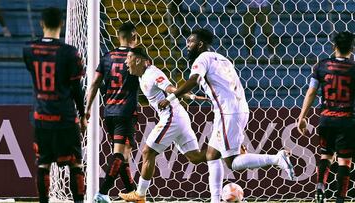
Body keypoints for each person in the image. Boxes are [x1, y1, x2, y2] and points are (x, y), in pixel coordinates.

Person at [158, 28, 295, 203]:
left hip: (227, 112)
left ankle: (276, 158)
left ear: (200, 44)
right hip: (236, 109)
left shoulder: (202, 59)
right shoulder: (223, 59)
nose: (187, 45)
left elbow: (193, 80)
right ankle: (215, 200)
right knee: (211, 155)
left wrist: (170, 98)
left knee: (232, 162)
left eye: (191, 42)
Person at [118, 47, 208, 203]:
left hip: (172, 117)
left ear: (138, 60)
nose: (126, 62)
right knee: (195, 157)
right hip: (179, 117)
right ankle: (227, 149)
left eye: (129, 58)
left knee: (148, 151)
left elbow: (170, 88)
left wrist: (187, 95)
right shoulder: (142, 76)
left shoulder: (153, 74)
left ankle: (140, 195)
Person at [23, 7, 86, 203]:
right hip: (65, 117)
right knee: (76, 164)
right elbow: (76, 89)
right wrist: (83, 114)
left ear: (42, 24)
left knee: (43, 164)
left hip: (41, 116)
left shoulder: (29, 49)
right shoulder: (70, 52)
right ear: (62, 24)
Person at [297, 31, 355, 203]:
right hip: (347, 120)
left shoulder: (321, 65)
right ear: (352, 48)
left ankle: (320, 188)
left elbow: (311, 92)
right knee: (345, 161)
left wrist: (302, 117)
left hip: (326, 119)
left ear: (333, 46)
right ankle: (340, 199)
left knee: (326, 156)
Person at [85, 22, 139, 203]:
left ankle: (134, 193)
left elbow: (93, 84)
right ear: (134, 36)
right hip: (126, 112)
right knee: (120, 154)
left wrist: (86, 110)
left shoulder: (106, 57)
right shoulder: (136, 57)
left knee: (124, 156)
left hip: (108, 112)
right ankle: (102, 193)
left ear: (118, 36)